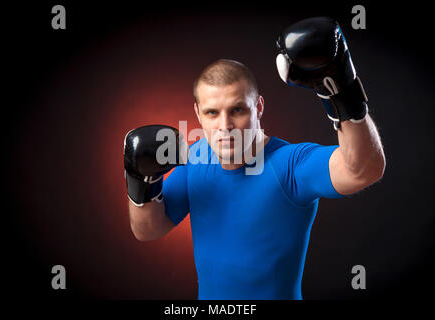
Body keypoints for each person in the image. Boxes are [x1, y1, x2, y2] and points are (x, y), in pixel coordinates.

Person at [124, 17, 385, 300]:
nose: (225, 125)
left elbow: (363, 170)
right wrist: (141, 182)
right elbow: (148, 230)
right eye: (212, 113)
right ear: (198, 114)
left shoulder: (289, 165)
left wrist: (343, 94)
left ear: (258, 107)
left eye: (237, 110)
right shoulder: (196, 157)